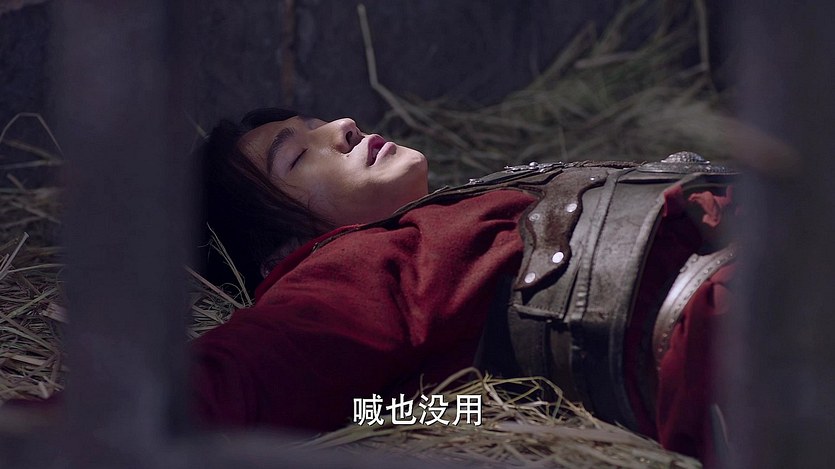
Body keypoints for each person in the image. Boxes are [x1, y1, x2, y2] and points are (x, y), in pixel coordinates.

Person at [193, 108, 738, 465]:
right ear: (280, 252)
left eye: (316, 122)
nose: (343, 125)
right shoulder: (344, 269)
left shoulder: (421, 229)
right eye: (296, 155)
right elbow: (207, 390)